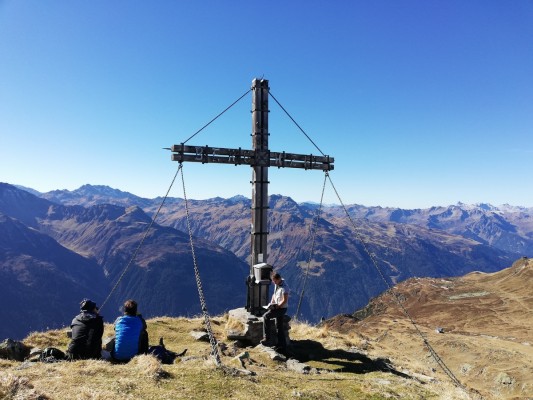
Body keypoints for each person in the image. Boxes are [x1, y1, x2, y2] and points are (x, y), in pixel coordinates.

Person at [261, 272, 290, 352]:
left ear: (278, 279)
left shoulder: (285, 287)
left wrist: (277, 306)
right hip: (277, 307)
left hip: (282, 308)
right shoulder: (277, 284)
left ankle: (267, 338)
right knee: (279, 326)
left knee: (266, 316)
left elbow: (285, 300)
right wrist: (271, 303)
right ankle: (282, 346)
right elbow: (274, 295)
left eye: (274, 281)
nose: (273, 282)